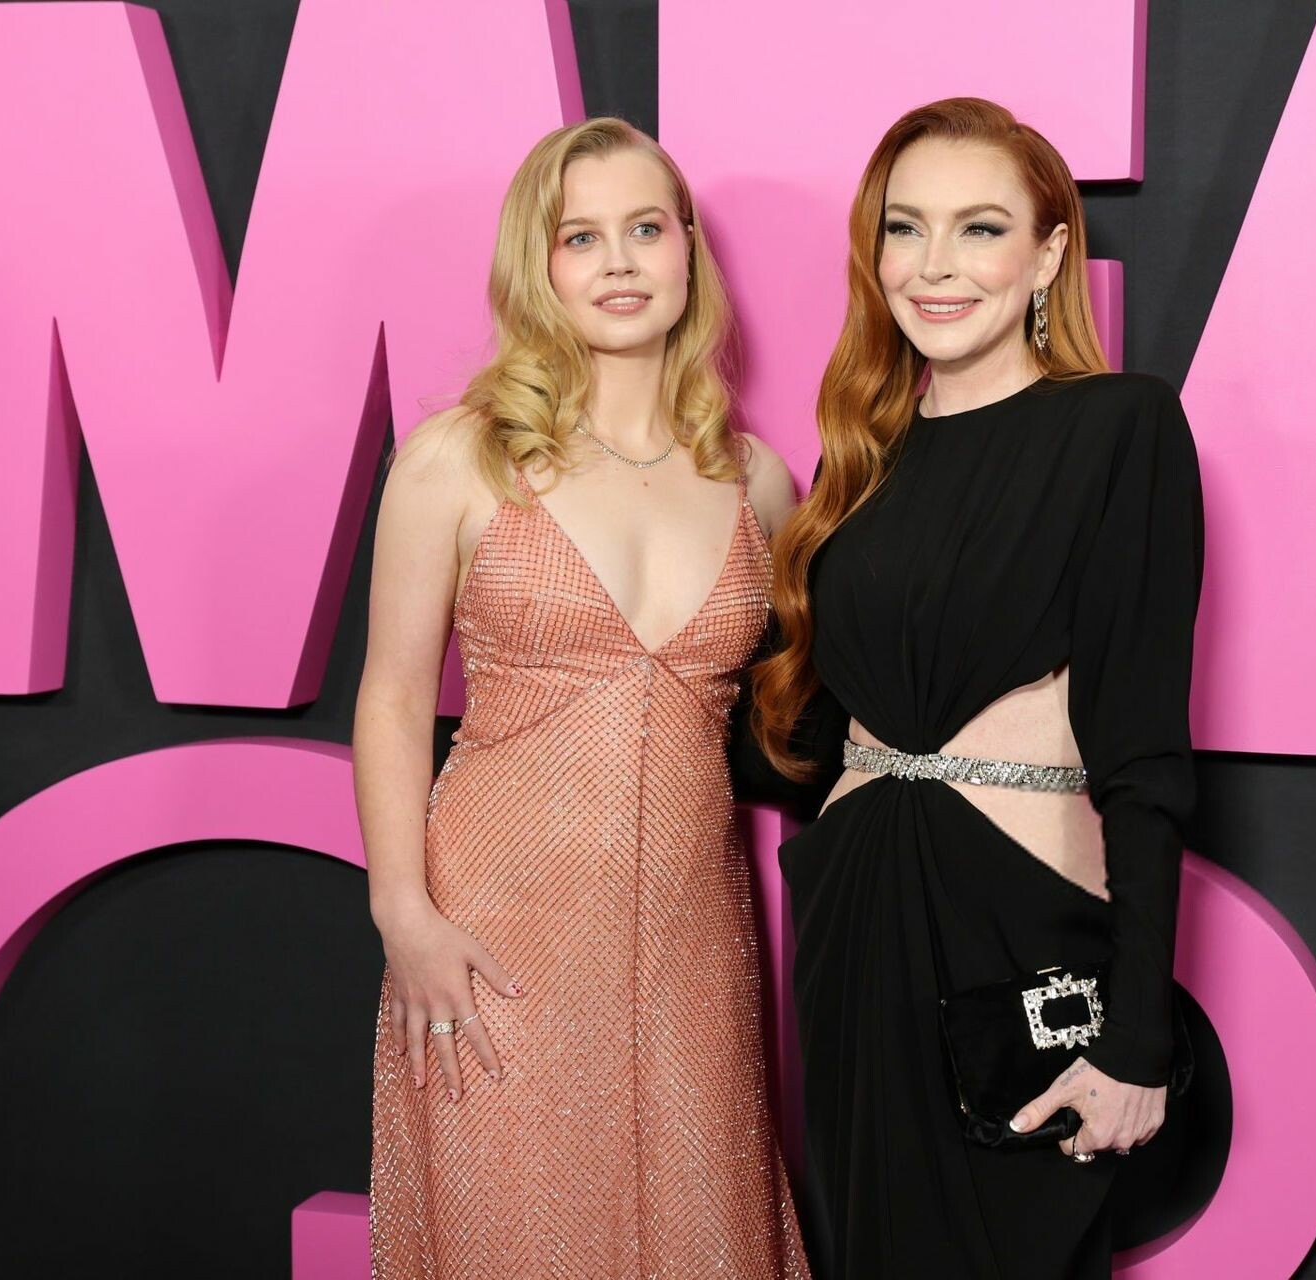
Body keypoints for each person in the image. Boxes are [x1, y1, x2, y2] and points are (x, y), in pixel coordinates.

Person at [742, 97, 1205, 1279]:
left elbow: (1144, 753)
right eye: (906, 228)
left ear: (1049, 255)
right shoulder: (861, 460)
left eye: (981, 228)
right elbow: (800, 729)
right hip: (857, 922)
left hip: (1016, 921)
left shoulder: (1120, 426)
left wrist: (1139, 1038)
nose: (935, 265)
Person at [354, 116, 810, 1278]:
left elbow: (803, 706)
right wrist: (404, 915)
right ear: (538, 264)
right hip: (491, 940)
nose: (618, 262)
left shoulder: (757, 482)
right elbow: (395, 699)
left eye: (645, 229)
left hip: (692, 949)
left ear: (689, 248)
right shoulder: (457, 458)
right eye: (580, 237)